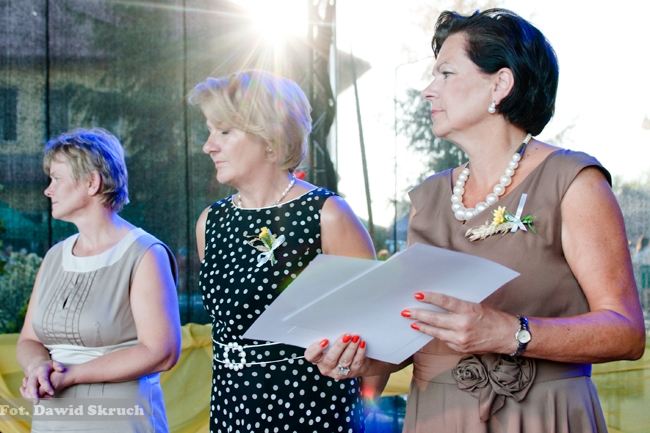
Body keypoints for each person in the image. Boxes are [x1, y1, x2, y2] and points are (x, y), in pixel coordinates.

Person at [305, 8, 646, 432]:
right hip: (437, 416)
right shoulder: (428, 199)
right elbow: (413, 335)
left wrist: (509, 333)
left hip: (541, 415)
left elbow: (626, 332)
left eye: (446, 73)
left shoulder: (574, 183)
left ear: (500, 84)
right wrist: (358, 357)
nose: (428, 91)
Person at [189, 70, 378, 433]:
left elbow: (378, 330)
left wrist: (358, 412)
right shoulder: (210, 222)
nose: (208, 146)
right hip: (231, 409)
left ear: (270, 140)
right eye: (210, 131)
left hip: (313, 413)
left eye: (224, 131)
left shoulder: (328, 215)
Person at [17, 128, 181, 432]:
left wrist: (71, 376)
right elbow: (28, 340)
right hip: (51, 423)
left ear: (92, 182)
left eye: (57, 178)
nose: (48, 190)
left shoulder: (146, 253)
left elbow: (162, 351)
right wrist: (37, 366)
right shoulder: (54, 257)